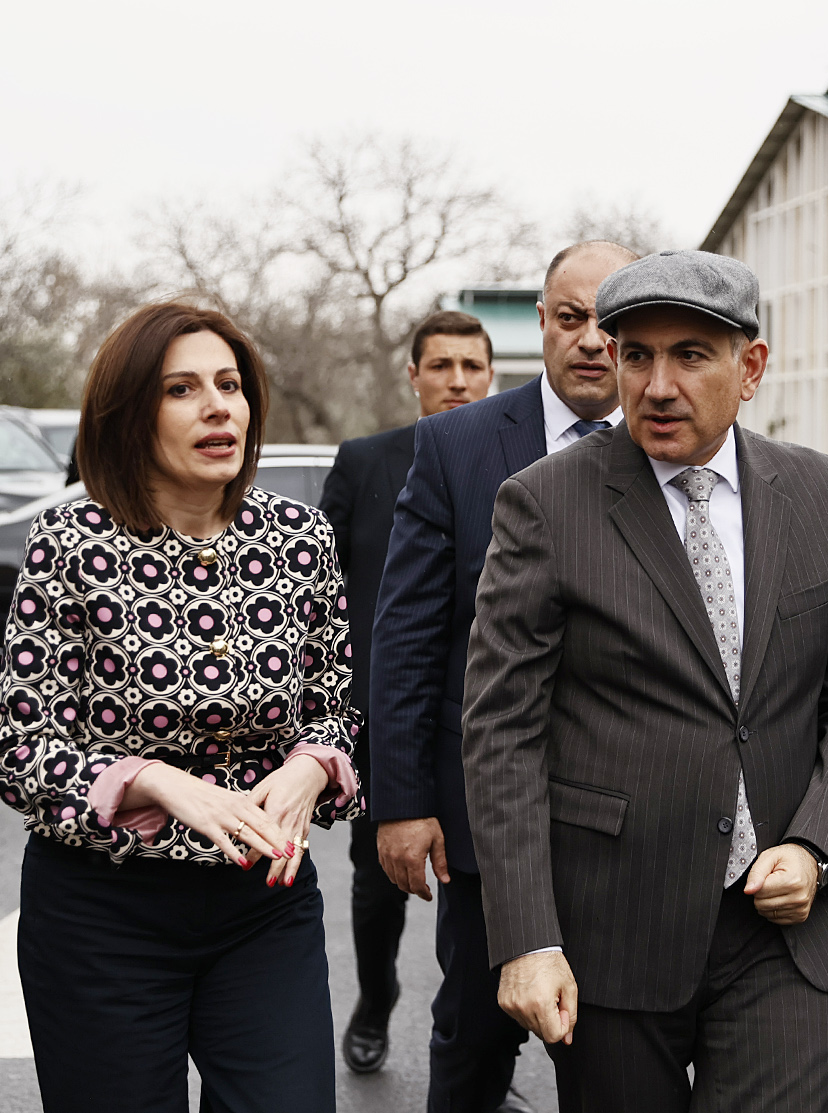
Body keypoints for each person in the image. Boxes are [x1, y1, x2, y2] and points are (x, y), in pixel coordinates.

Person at [462, 249, 828, 1112]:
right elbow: (501, 730)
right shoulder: (545, 503)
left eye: (690, 355)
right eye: (637, 356)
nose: (658, 386)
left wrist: (819, 848)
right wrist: (527, 936)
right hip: (614, 927)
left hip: (782, 927)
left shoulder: (822, 493)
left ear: (751, 367)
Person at [0, 301, 363, 1112]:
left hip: (263, 903)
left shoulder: (302, 539)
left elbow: (335, 707)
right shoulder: (71, 541)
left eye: (230, 385)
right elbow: (20, 751)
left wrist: (311, 765)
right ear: (131, 413)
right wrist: (155, 780)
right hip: (102, 912)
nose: (218, 406)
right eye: (182, 389)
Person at [370, 241, 638, 1113]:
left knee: (614, 1052)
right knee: (475, 1035)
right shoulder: (458, 445)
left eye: (612, 321)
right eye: (572, 317)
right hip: (488, 813)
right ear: (542, 323)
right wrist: (404, 800)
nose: (592, 339)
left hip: (635, 821)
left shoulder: (675, 442)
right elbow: (409, 633)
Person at [320, 309, 495, 1074]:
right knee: (376, 882)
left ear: (491, 375)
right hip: (384, 714)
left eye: (472, 366)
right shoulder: (365, 461)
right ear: (414, 375)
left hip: (484, 717)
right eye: (442, 365)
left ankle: (478, 1052)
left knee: (481, 893)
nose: (458, 380)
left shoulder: (516, 459)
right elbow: (320, 586)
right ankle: (375, 997)